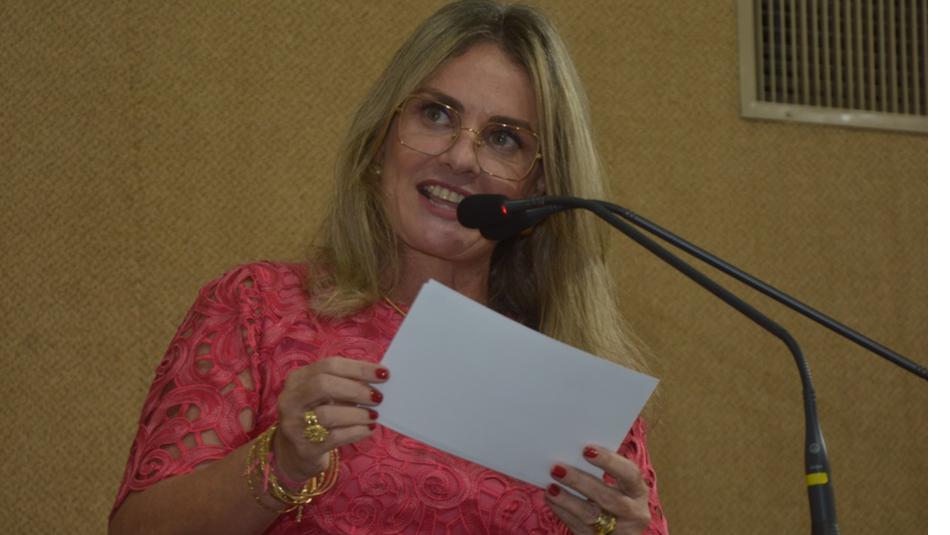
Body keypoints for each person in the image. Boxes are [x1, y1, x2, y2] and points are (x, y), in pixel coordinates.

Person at [109, 1, 669, 534]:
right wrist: (279, 462)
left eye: (503, 139)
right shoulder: (260, 309)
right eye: (437, 114)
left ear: (540, 188)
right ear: (381, 140)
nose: (460, 157)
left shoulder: (577, 387)